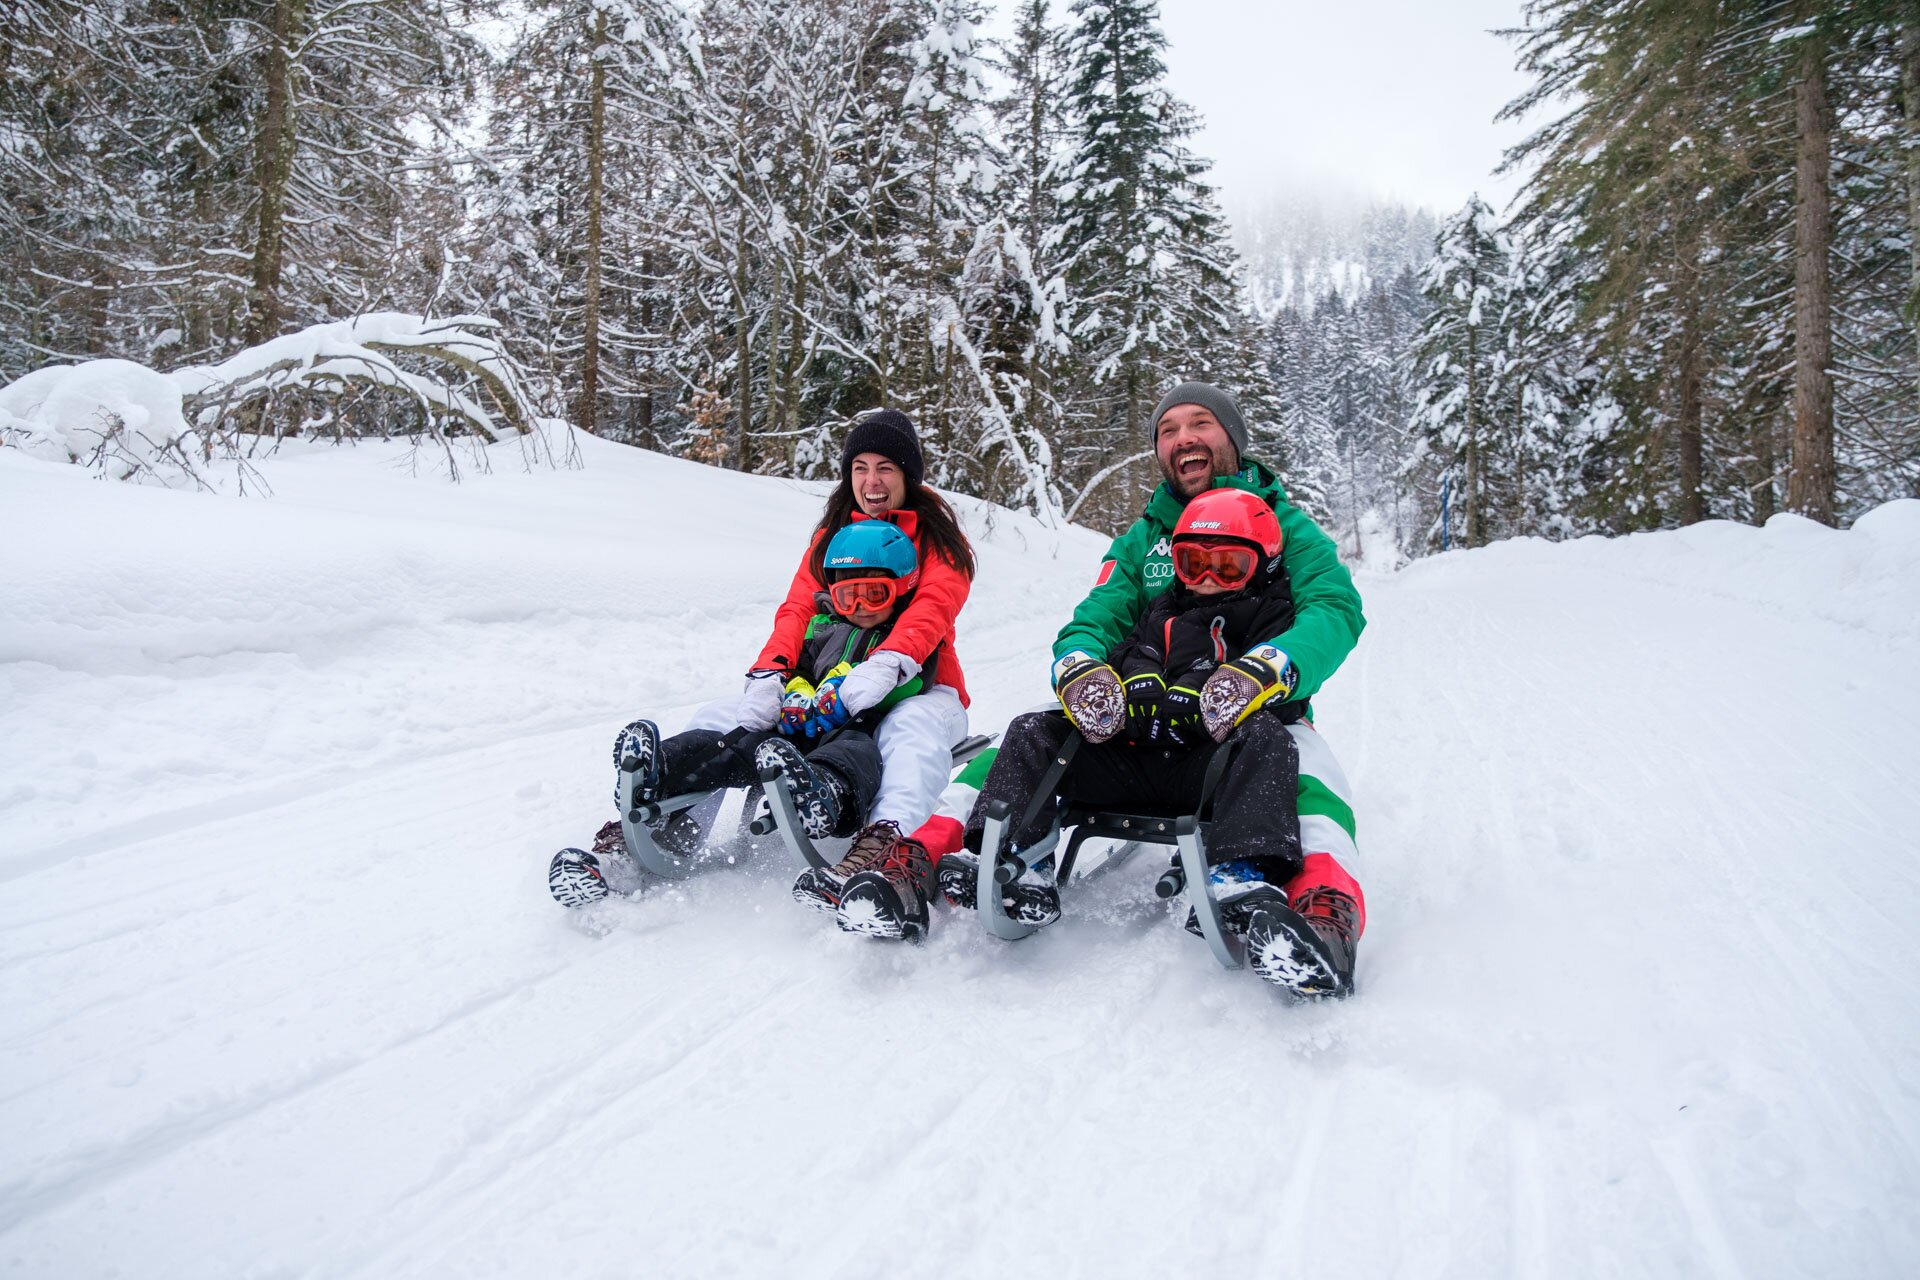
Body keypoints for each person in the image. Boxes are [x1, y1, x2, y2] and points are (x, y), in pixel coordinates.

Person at [969, 381, 1366, 998]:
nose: (1184, 438)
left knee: (1306, 776)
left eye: (1200, 423)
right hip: (1137, 724)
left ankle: (1321, 912)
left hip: (1248, 719)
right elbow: (1099, 613)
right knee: (1027, 738)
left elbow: (1334, 609)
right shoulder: (1145, 536)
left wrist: (1270, 667)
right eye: (1168, 429)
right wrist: (1078, 665)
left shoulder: (1286, 528)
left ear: (1231, 437)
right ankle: (943, 850)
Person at [544, 408, 974, 913]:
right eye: (860, 467)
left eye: (885, 468)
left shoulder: (939, 541)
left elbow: (932, 608)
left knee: (911, 732)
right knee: (719, 718)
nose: (872, 481)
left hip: (920, 687)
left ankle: (884, 854)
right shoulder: (830, 536)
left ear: (907, 475)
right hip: (821, 686)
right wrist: (771, 674)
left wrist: (886, 663)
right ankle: (652, 832)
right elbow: (797, 610)